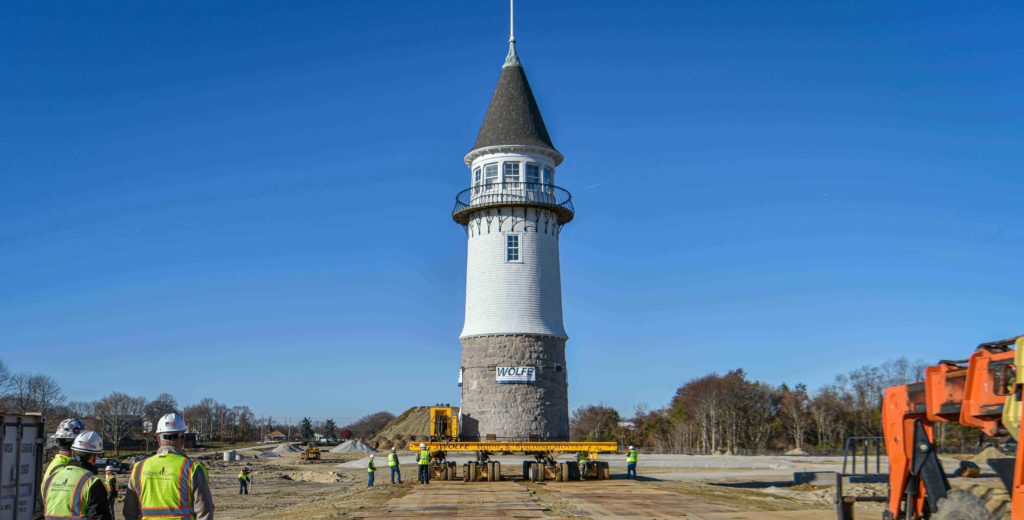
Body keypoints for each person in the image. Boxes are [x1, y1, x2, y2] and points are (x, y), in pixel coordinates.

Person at [123, 413, 215, 520]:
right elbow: (205, 511)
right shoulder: (192, 469)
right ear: (182, 439)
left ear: (158, 439)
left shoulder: (138, 468)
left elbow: (129, 512)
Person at [40, 430, 112, 520]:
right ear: (94, 457)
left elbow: (40, 513)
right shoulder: (92, 483)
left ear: (73, 452)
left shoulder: (51, 478)